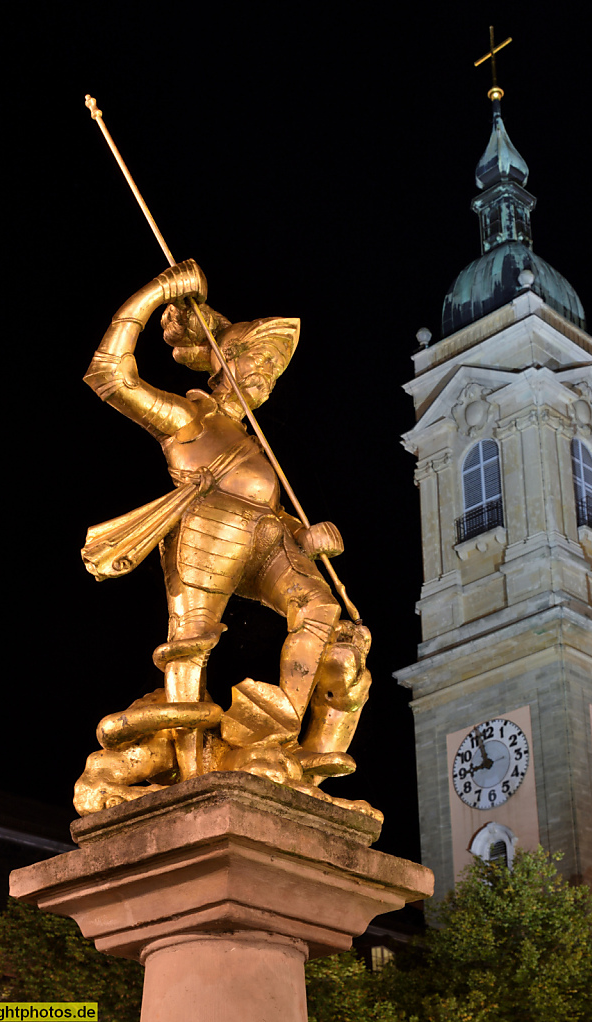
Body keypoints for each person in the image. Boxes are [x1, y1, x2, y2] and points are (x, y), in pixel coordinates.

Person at [77, 260, 373, 814]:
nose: (264, 372)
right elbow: (109, 376)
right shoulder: (192, 416)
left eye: (272, 366)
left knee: (320, 608)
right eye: (254, 359)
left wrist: (309, 538)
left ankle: (283, 723)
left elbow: (274, 513)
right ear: (223, 361)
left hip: (267, 537)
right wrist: (158, 292)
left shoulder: (254, 439)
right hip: (208, 526)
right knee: (191, 645)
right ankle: (191, 776)